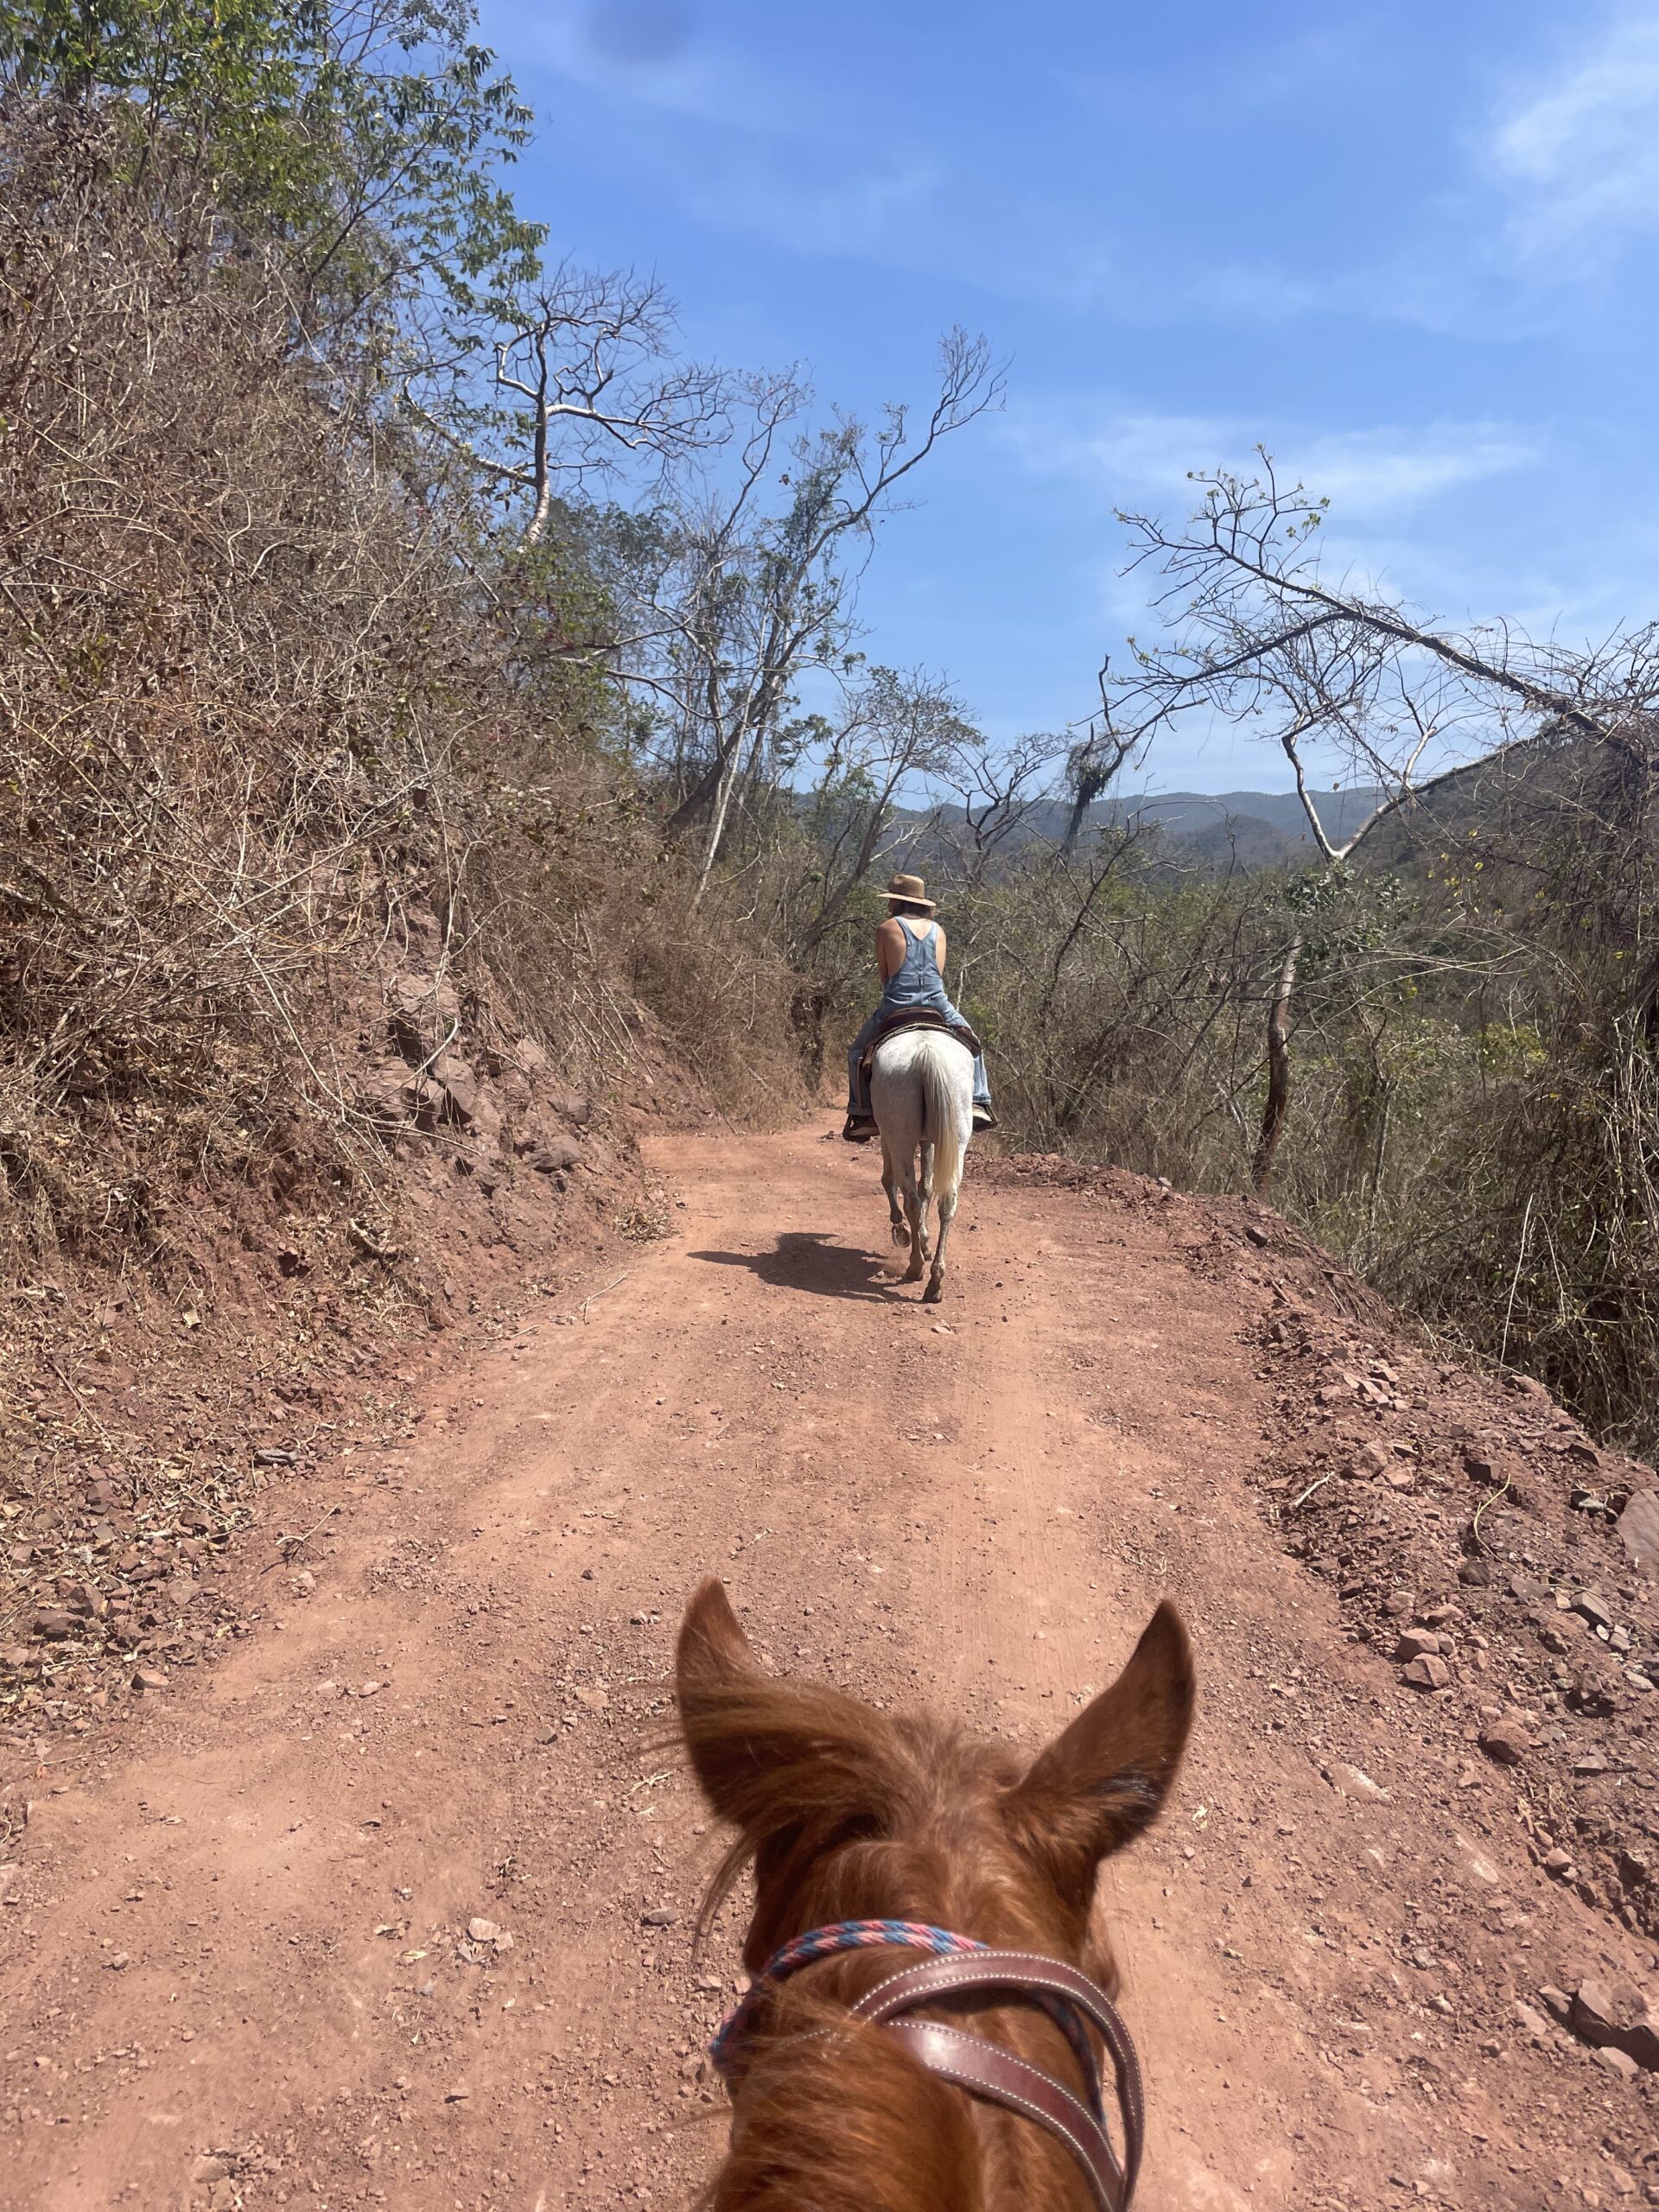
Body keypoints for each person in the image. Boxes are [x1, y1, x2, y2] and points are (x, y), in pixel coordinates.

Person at [842, 873, 995, 1141]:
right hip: (938, 1003)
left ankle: (861, 1112)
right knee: (973, 1044)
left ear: (900, 903)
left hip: (896, 1003)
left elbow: (885, 975)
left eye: (892, 900)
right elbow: (939, 972)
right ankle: (978, 1102)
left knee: (856, 1052)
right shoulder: (939, 931)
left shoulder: (887, 928)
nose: (889, 904)